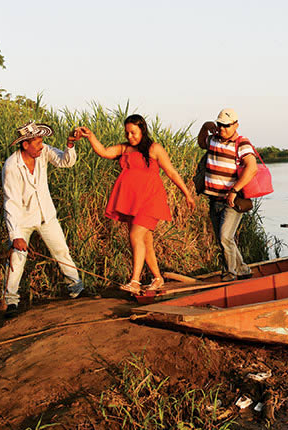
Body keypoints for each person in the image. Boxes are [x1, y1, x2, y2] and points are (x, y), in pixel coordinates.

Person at [77, 115, 196, 294]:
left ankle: (135, 281)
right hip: (133, 202)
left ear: (142, 130)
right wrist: (91, 136)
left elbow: (171, 172)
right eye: (127, 133)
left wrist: (187, 194)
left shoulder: (154, 148)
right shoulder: (124, 148)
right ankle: (158, 278)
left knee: (135, 236)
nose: (130, 136)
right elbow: (104, 152)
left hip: (151, 199)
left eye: (133, 132)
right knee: (145, 241)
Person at [2, 121, 84, 317]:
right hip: (22, 220)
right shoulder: (12, 166)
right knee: (17, 259)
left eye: (41, 141)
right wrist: (15, 235)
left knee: (61, 251)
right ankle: (11, 302)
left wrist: (70, 144)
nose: (41, 145)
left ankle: (76, 289)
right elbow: (11, 201)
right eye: (37, 142)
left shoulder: (44, 152)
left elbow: (65, 161)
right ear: (25, 145)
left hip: (46, 215)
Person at [198, 108, 258, 281]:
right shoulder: (213, 140)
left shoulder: (241, 143)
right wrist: (205, 126)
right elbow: (201, 142)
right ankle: (243, 269)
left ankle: (230, 273)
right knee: (223, 239)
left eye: (226, 125)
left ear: (235, 125)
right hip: (214, 199)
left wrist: (234, 190)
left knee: (225, 237)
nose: (222, 129)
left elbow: (252, 168)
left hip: (232, 200)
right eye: (219, 125)